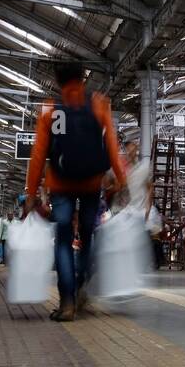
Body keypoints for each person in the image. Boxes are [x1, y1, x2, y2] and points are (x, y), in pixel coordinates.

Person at [23, 61, 128, 322]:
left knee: (63, 240)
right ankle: (81, 284)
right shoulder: (99, 102)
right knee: (88, 236)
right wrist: (120, 178)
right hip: (92, 183)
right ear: (83, 78)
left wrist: (31, 193)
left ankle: (67, 303)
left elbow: (38, 154)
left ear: (58, 82)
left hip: (61, 184)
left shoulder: (50, 108)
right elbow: (112, 145)